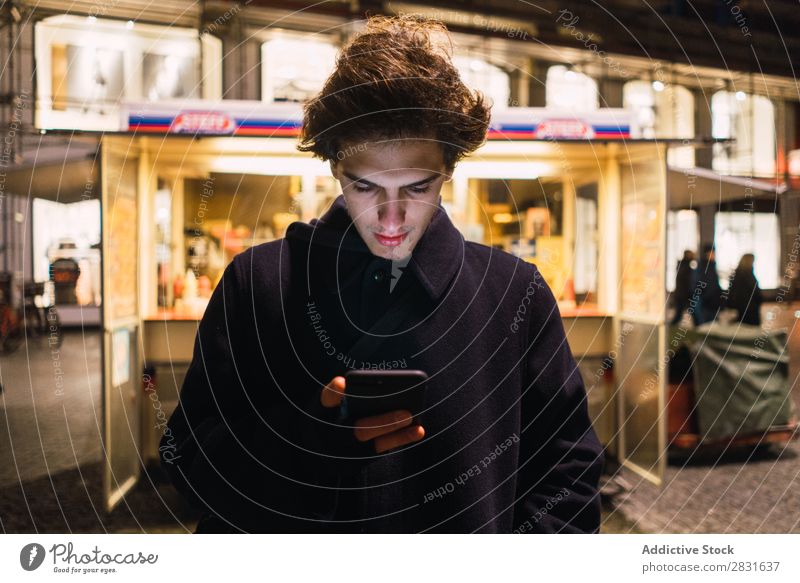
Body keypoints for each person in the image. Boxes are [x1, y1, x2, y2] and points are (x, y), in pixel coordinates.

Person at [161, 14, 603, 534]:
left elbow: (569, 473)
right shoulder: (257, 283)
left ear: (448, 174)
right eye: (366, 187)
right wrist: (309, 441)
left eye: (416, 188)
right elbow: (187, 458)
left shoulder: (513, 292)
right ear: (334, 170)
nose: (390, 220)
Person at [726, 253, 762, 326]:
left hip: (740, 310)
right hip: (750, 310)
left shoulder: (736, 274)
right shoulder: (748, 275)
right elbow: (755, 292)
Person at [695, 243, 723, 325]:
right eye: (712, 253)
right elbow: (702, 282)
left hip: (710, 299)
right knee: (706, 323)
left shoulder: (711, 266)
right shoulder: (704, 266)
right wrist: (706, 295)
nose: (714, 255)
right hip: (706, 300)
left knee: (711, 322)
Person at [670, 250, 696, 325]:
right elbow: (687, 282)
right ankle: (699, 325)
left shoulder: (683, 266)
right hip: (683, 294)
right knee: (682, 312)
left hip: (681, 294)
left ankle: (698, 325)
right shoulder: (685, 267)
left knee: (680, 313)